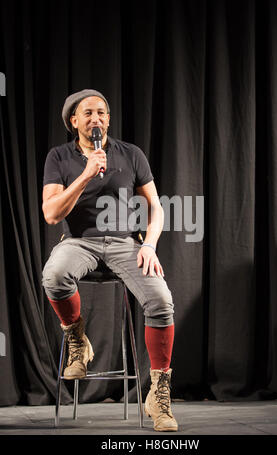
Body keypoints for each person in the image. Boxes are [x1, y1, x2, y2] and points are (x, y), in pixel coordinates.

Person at [41, 89, 178, 432]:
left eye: (102, 113)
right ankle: (76, 336)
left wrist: (149, 244)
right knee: (55, 275)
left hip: (124, 243)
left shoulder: (130, 154)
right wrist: (86, 174)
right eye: (88, 113)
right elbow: (51, 214)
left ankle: (158, 394)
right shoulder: (59, 157)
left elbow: (155, 207)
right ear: (73, 121)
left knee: (161, 301)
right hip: (80, 241)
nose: (96, 119)